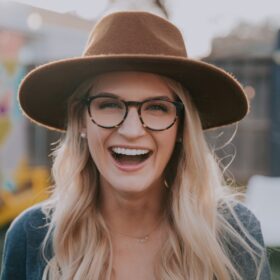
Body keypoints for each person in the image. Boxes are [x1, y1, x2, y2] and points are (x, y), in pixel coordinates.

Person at [1, 11, 271, 280]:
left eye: (156, 107)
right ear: (80, 119)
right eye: (108, 104)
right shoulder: (31, 235)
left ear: (181, 125)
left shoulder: (235, 235)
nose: (131, 131)